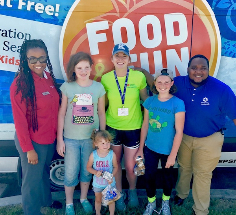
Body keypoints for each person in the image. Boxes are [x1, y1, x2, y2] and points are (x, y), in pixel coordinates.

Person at [139, 55, 236, 215]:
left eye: (203, 68)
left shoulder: (221, 89)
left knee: (202, 174)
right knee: (184, 168)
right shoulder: (178, 83)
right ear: (188, 69)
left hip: (209, 138)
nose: (198, 72)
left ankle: (200, 210)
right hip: (183, 137)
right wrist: (143, 71)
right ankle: (181, 194)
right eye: (194, 68)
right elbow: (158, 83)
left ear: (208, 69)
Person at [10, 39, 62, 215]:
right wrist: (28, 149)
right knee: (32, 179)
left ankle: (46, 201)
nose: (38, 63)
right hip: (33, 141)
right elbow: (20, 121)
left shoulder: (47, 77)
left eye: (42, 58)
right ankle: (31, 211)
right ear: (25, 59)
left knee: (43, 174)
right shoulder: (21, 84)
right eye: (33, 59)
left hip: (49, 138)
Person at [57, 52, 106, 215]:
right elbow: (62, 113)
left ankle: (84, 198)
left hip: (90, 139)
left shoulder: (98, 87)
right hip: (70, 139)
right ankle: (69, 203)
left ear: (91, 68)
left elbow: (101, 113)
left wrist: (102, 137)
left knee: (87, 171)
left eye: (86, 67)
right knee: (70, 172)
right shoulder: (67, 87)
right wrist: (60, 139)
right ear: (73, 69)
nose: (83, 71)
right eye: (79, 68)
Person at [101, 43, 148, 211]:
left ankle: (133, 191)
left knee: (130, 166)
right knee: (115, 165)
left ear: (129, 59)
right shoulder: (106, 78)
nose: (120, 59)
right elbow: (104, 104)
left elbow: (146, 101)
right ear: (112, 59)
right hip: (112, 127)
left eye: (124, 56)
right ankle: (118, 193)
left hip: (133, 128)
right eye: (117, 56)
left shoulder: (138, 77)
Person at [135, 69, 185, 215]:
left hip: (168, 149)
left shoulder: (177, 103)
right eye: (159, 82)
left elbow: (179, 131)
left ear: (171, 84)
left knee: (167, 178)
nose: (163, 85)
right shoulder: (150, 101)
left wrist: (172, 155)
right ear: (155, 84)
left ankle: (165, 202)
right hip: (150, 147)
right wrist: (140, 149)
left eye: (166, 82)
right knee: (149, 176)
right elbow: (145, 125)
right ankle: (151, 203)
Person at [87, 129, 118, 215]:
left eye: (108, 142)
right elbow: (88, 167)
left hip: (109, 183)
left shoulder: (112, 154)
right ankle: (98, 212)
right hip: (98, 184)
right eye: (103, 143)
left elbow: (116, 167)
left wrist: (112, 175)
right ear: (96, 144)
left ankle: (112, 213)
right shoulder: (93, 155)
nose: (106, 145)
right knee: (98, 199)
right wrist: (95, 172)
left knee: (111, 200)